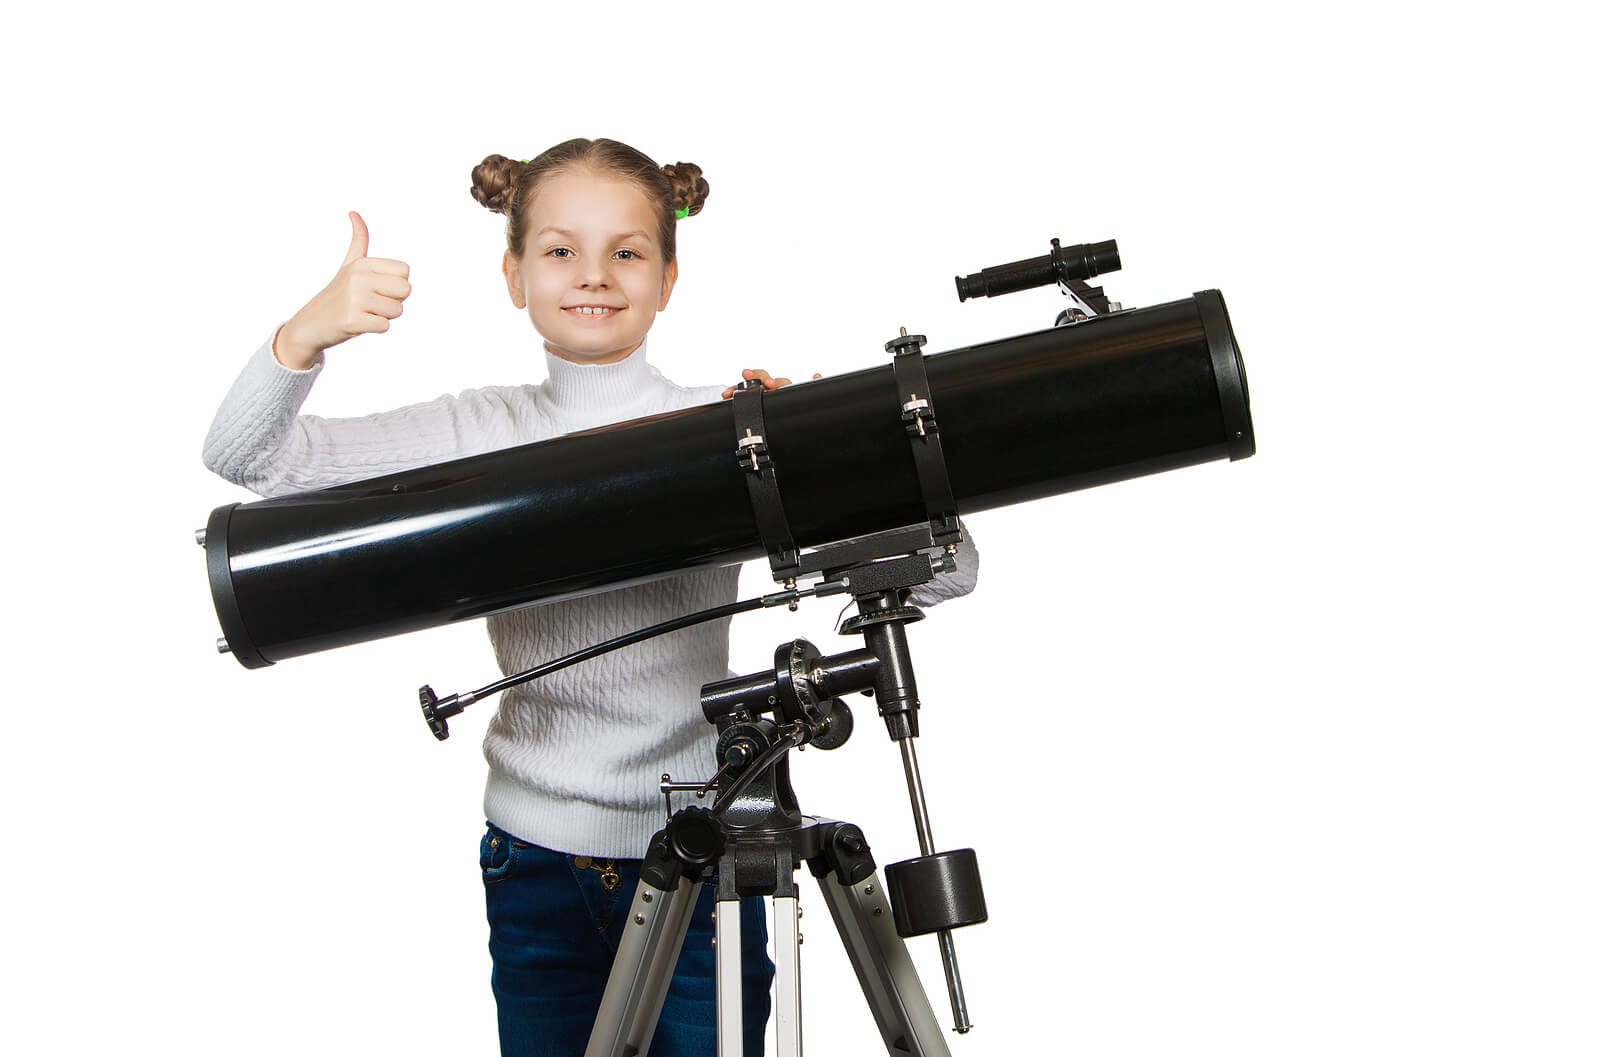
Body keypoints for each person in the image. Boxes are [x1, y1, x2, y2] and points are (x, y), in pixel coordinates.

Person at [201, 137, 977, 1057]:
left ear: (668, 278)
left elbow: (951, 568)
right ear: (514, 274)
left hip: (706, 845)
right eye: (561, 250)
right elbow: (247, 459)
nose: (594, 275)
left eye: (627, 251)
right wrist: (306, 335)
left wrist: (848, 458)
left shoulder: (728, 422)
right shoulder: (475, 430)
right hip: (535, 861)